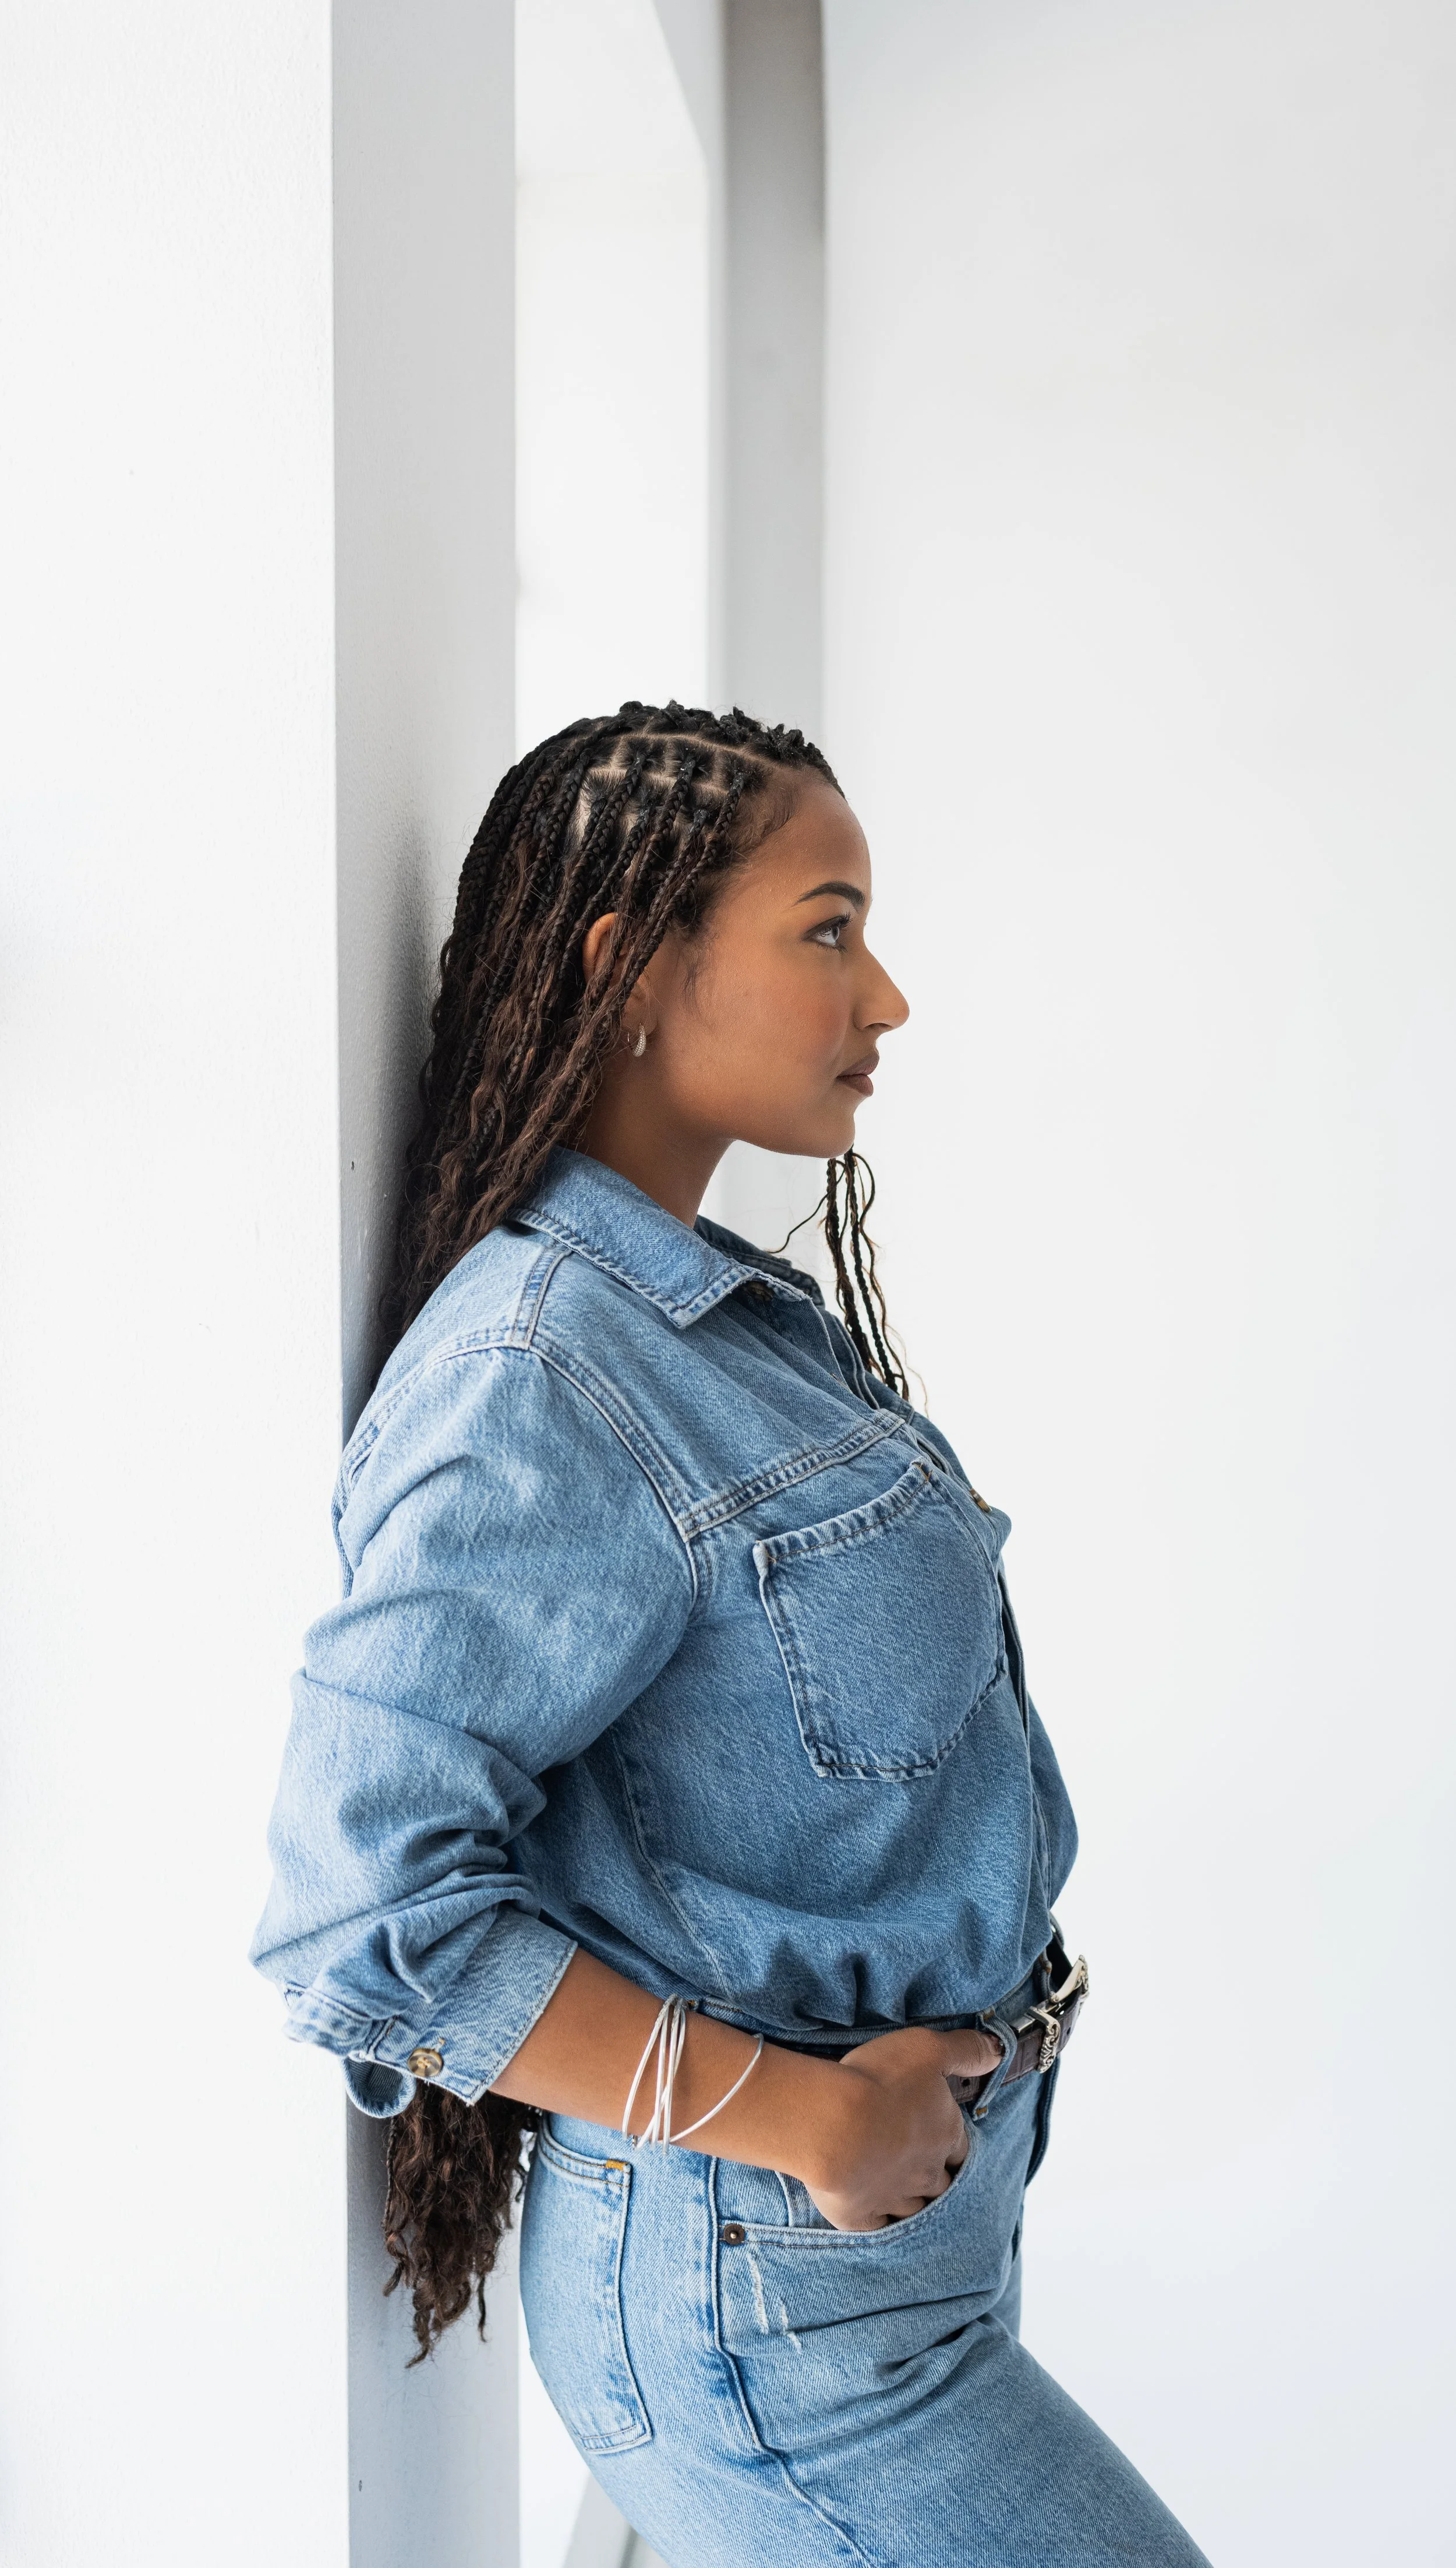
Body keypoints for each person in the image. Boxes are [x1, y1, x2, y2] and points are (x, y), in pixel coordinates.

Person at [253, 703, 1208, 2566]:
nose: (887, 1000)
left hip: (878, 2269)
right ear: (631, 964)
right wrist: (797, 2121)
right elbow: (357, 1906)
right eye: (827, 927)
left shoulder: (719, 1327)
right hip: (762, 2309)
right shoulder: (537, 1372)